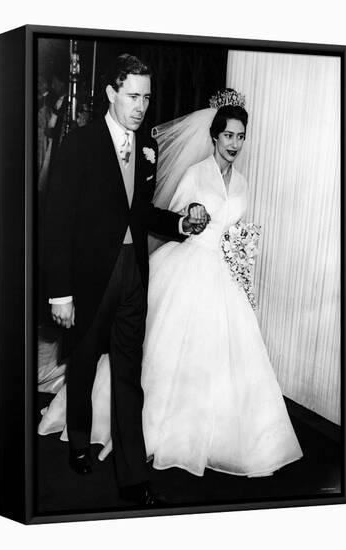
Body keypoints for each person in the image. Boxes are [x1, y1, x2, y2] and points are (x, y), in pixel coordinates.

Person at [41, 88, 303, 479]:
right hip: (186, 269)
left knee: (218, 360)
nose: (234, 143)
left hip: (222, 277)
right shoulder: (195, 175)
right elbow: (162, 215)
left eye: (240, 136)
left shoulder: (244, 184)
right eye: (227, 135)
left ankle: (209, 435)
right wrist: (186, 220)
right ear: (214, 136)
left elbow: (231, 232)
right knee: (153, 357)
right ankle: (126, 434)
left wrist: (239, 256)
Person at [44, 53, 209, 505]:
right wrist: (61, 293)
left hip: (134, 276)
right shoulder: (79, 144)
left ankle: (132, 475)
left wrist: (179, 225)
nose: (141, 106)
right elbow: (56, 221)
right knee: (80, 364)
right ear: (112, 93)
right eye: (133, 95)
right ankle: (79, 440)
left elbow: (140, 212)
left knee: (128, 377)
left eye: (147, 97)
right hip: (89, 277)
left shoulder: (146, 148)